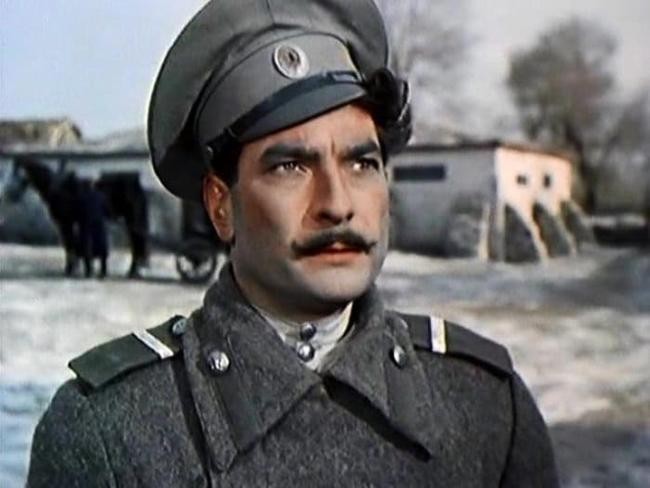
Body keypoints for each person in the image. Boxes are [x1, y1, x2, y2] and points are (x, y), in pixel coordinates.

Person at [27, 0, 559, 486]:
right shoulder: (108, 433)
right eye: (290, 167)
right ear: (220, 205)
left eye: (361, 162)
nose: (337, 204)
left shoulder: (487, 405)